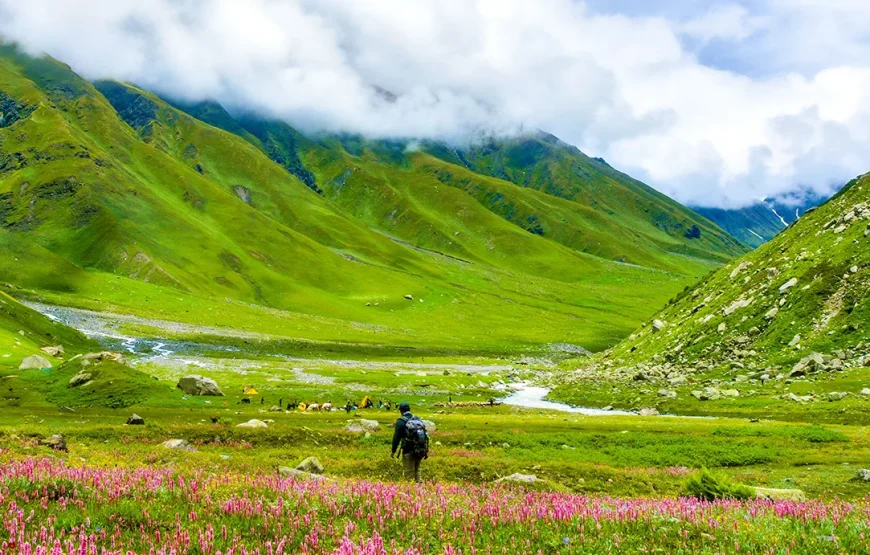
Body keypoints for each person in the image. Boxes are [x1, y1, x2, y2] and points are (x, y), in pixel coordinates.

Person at [391, 402, 429, 483]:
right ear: (409, 409)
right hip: (419, 450)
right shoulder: (417, 419)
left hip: (408, 450)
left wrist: (393, 450)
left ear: (401, 411)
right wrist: (426, 450)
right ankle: (421, 491)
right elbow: (425, 435)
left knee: (409, 473)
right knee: (417, 470)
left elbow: (396, 437)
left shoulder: (401, 421)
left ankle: (412, 492)